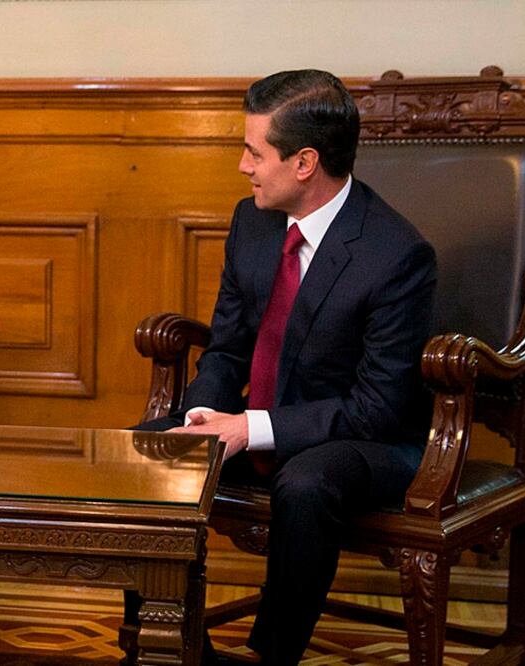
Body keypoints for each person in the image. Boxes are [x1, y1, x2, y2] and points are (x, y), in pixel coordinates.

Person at [138, 69, 436, 664]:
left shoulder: (397, 255)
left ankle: (271, 658)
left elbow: (377, 408)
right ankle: (166, 648)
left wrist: (249, 427)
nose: (243, 166)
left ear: (304, 163)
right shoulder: (252, 221)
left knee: (305, 484)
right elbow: (227, 346)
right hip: (265, 420)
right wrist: (199, 415)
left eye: (254, 152)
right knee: (145, 450)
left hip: (365, 438)